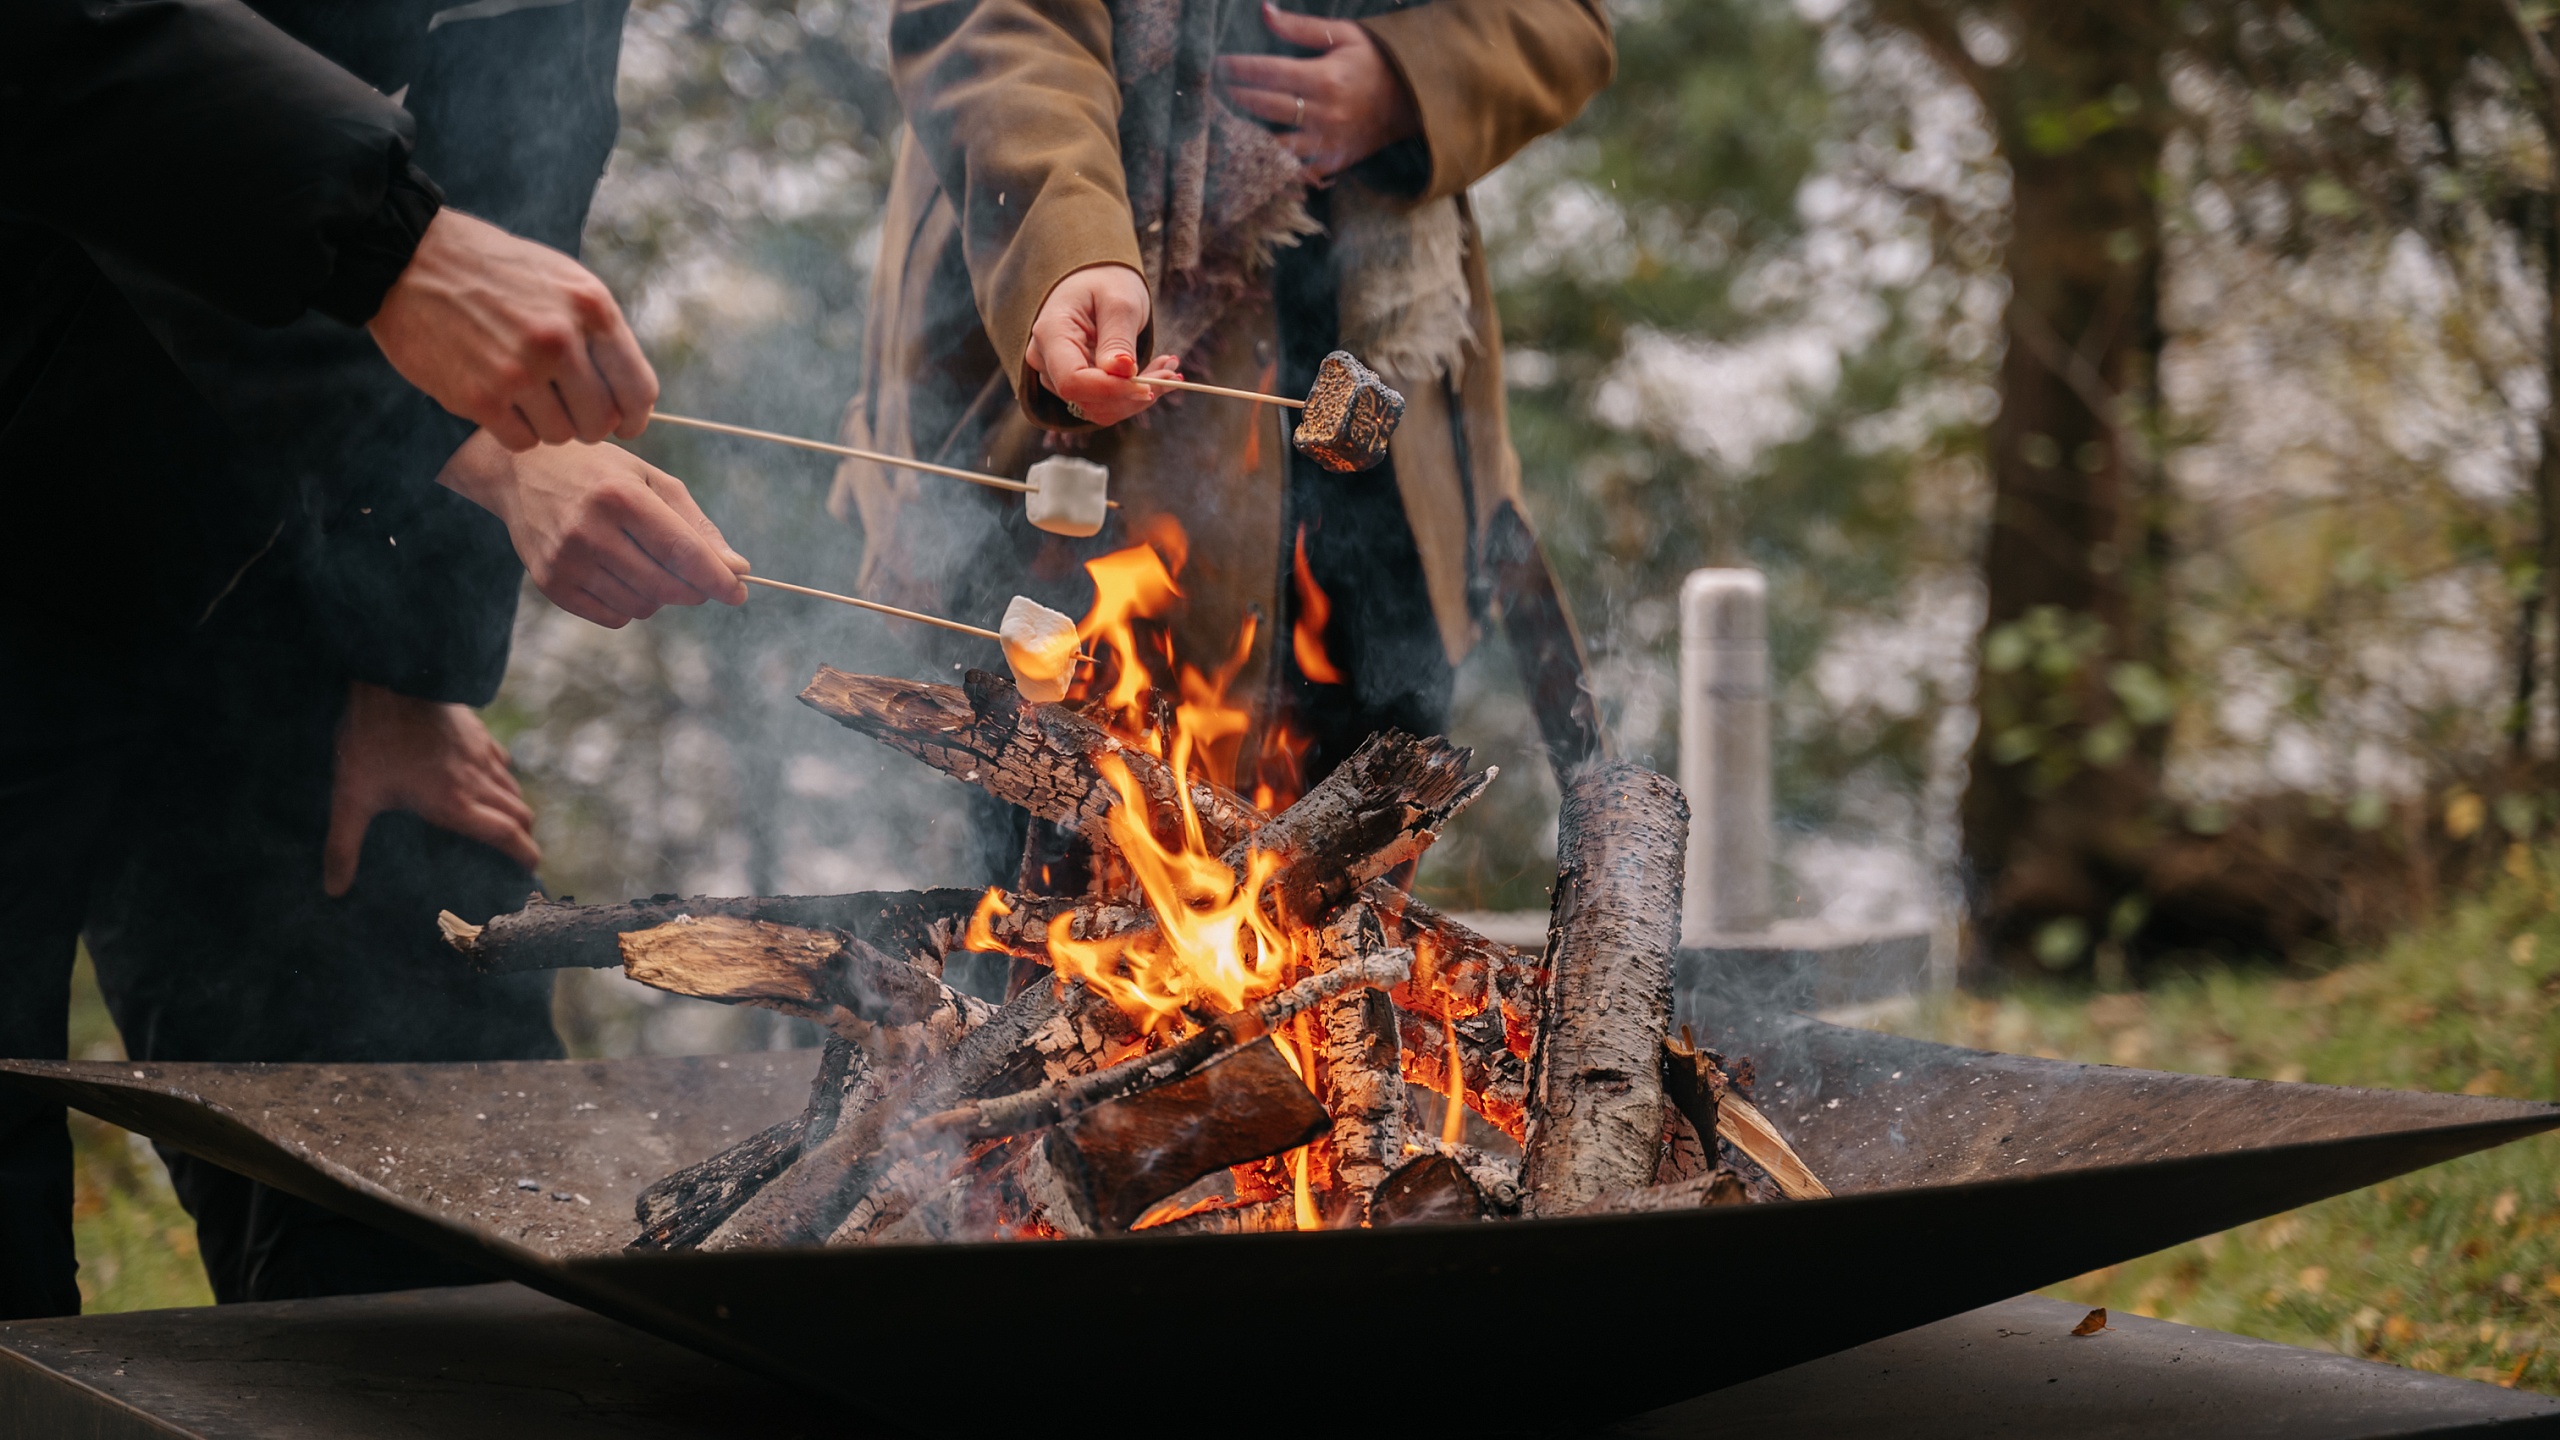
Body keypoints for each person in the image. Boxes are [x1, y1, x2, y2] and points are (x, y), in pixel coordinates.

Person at [0, 0, 746, 1316]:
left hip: (281, 566)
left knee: (430, 1108)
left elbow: (519, 198)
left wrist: (411, 663)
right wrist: (398, 270)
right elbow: (95, 94)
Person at [832, 0, 1611, 877]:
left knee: (1341, 943)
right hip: (1067, 382)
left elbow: (1567, 22)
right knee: (1046, 897)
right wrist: (1071, 245)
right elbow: (993, 23)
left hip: (1395, 408)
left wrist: (1412, 77)